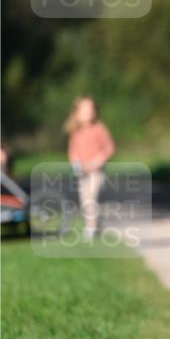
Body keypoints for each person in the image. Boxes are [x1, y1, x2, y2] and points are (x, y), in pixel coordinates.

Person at [65, 96, 115, 240]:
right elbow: (72, 151)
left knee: (91, 199)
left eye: (91, 109)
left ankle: (91, 228)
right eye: (85, 110)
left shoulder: (99, 128)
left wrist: (98, 160)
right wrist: (75, 163)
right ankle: (95, 224)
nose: (89, 112)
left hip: (96, 172)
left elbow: (109, 148)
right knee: (84, 200)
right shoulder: (76, 132)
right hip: (82, 173)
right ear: (77, 113)